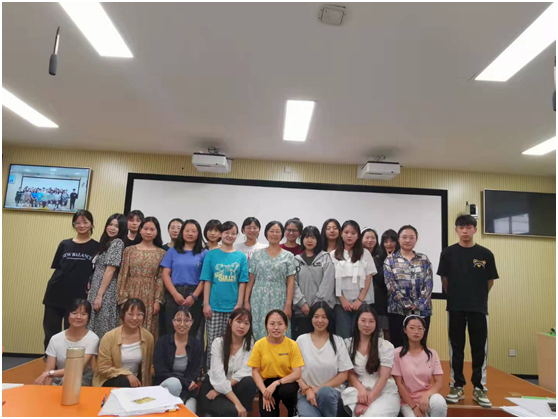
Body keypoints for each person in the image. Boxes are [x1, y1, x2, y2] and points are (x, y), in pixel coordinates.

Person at [438, 215, 499, 408]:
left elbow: (490, 281)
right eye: (461, 227)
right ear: (456, 230)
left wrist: (476, 297)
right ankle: (457, 385)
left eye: (469, 227)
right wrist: (457, 296)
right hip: (455, 307)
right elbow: (445, 280)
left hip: (478, 308)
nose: (465, 231)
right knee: (456, 348)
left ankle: (479, 387)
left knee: (479, 348)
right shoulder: (447, 253)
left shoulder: (485, 254)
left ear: (475, 229)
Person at [42, 210, 99, 351]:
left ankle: (69, 362)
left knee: (73, 332)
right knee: (51, 332)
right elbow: (58, 267)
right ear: (73, 225)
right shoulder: (64, 244)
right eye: (77, 222)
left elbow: (96, 272)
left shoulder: (97, 247)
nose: (81, 225)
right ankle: (50, 360)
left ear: (91, 224)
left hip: (77, 297)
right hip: (55, 293)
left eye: (85, 222)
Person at [201, 221, 248, 367]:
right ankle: (211, 372)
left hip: (233, 308)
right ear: (221, 234)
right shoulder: (211, 255)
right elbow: (207, 280)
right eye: (227, 232)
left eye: (233, 233)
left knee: (231, 341)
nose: (230, 236)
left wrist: (239, 304)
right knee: (213, 342)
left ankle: (228, 371)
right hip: (214, 306)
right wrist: (206, 303)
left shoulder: (241, 256)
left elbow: (242, 282)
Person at [296, 302, 353, 417]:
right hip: (307, 394)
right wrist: (307, 390)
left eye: (324, 317)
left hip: (332, 394)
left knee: (325, 392)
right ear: (311, 318)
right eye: (316, 317)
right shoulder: (301, 340)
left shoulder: (338, 341)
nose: (320, 321)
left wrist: (318, 389)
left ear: (329, 319)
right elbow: (294, 372)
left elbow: (344, 374)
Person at [341, 306, 400, 417]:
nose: (367, 325)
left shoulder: (385, 346)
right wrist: (361, 391)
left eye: (371, 321)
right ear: (357, 322)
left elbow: (383, 377)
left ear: (376, 323)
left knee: (370, 415)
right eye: (363, 320)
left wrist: (368, 400)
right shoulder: (347, 344)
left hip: (384, 392)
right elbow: (349, 373)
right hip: (359, 391)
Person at [198, 308, 258, 417]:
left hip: (230, 389)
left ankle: (244, 413)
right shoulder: (218, 343)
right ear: (230, 322)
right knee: (233, 411)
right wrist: (237, 403)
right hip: (212, 388)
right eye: (238, 321)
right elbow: (218, 377)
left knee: (249, 381)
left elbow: (245, 372)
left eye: (246, 323)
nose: (242, 326)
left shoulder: (250, 343)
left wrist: (219, 391)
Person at [245, 221, 297, 340]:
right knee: (259, 328)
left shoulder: (288, 256)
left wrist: (288, 304)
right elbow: (251, 279)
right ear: (266, 233)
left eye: (278, 231)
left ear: (282, 234)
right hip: (258, 298)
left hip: (279, 297)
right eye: (271, 231)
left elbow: (290, 282)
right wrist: (246, 301)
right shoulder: (257, 255)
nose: (274, 234)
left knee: (278, 327)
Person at [248, 309, 305, 417]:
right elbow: (255, 371)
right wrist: (265, 393)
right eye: (272, 324)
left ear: (286, 326)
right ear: (266, 326)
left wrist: (277, 383)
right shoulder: (259, 345)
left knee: (286, 391)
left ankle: (293, 410)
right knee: (267, 413)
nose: (276, 328)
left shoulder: (292, 345)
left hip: (286, 382)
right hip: (267, 384)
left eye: (280, 324)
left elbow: (297, 373)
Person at [384, 225, 433, 349]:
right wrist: (406, 304)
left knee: (419, 347)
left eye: (411, 237)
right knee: (398, 347)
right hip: (398, 311)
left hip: (422, 311)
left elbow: (429, 283)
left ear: (416, 239)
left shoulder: (424, 259)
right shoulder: (390, 260)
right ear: (399, 239)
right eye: (404, 237)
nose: (408, 240)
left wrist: (419, 304)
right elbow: (390, 284)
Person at [117, 217, 166, 338]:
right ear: (140, 230)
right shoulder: (129, 251)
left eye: (152, 229)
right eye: (145, 229)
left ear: (157, 232)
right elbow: (123, 275)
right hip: (131, 292)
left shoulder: (161, 253)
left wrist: (157, 301)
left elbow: (160, 278)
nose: (148, 232)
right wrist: (123, 299)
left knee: (147, 329)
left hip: (150, 294)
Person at [35, 299, 99, 386]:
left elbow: (76, 368)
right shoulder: (55, 338)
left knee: (68, 380)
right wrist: (46, 388)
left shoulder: (92, 338)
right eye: (74, 313)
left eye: (83, 314)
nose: (78, 317)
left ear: (88, 318)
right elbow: (49, 368)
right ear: (68, 315)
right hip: (58, 378)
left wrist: (49, 373)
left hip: (82, 378)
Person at [161, 219, 207, 339]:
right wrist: (175, 294)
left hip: (195, 294)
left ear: (198, 233)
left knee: (192, 333)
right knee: (171, 331)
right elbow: (165, 274)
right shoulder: (172, 251)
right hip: (174, 293)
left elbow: (205, 278)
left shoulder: (204, 253)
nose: (190, 233)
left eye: (193, 231)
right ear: (182, 232)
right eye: (187, 230)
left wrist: (194, 296)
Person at [392, 315, 446, 417]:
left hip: (427, 398)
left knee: (439, 403)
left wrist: (426, 396)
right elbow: (399, 384)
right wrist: (413, 406)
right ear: (405, 330)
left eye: (420, 328)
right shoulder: (397, 353)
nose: (416, 331)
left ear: (424, 331)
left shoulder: (432, 353)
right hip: (408, 402)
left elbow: (439, 382)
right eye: (412, 328)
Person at [94, 299, 154, 387]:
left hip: (136, 382)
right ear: (123, 315)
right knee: (123, 382)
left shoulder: (148, 337)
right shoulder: (109, 337)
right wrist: (126, 374)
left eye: (139, 314)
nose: (134, 318)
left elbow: (147, 367)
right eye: (130, 314)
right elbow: (104, 368)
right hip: (110, 379)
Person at [331, 220, 376, 339]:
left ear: (358, 236)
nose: (349, 236)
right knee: (343, 337)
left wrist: (360, 300)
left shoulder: (365, 253)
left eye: (353, 233)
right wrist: (342, 300)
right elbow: (332, 280)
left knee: (360, 337)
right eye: (346, 232)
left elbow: (368, 277)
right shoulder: (333, 254)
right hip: (341, 303)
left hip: (362, 302)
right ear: (341, 234)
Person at [153, 306, 202, 413]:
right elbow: (160, 372)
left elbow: (195, 372)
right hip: (166, 388)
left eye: (187, 320)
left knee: (188, 414)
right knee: (174, 383)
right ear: (173, 321)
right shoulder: (163, 342)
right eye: (178, 320)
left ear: (192, 322)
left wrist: (185, 389)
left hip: (187, 391)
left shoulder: (196, 345)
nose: (182, 324)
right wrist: (185, 382)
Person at [87, 214, 127, 339]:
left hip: (106, 291)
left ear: (122, 229)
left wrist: (100, 296)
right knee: (94, 325)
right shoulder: (106, 242)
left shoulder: (117, 243)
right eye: (110, 224)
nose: (112, 228)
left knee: (103, 326)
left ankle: (103, 351)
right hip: (97, 288)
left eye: (116, 226)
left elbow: (110, 270)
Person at [292, 226, 335, 340]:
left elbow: (328, 283)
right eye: (306, 237)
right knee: (302, 342)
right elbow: (293, 283)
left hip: (322, 310)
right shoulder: (296, 260)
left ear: (318, 240)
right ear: (302, 239)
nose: (309, 240)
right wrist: (302, 303)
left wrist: (317, 305)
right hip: (302, 311)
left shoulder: (325, 258)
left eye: (313, 237)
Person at [362, 228, 390, 341]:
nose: (370, 240)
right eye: (367, 237)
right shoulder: (356, 255)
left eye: (373, 238)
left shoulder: (381, 256)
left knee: (385, 330)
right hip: (363, 298)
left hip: (380, 299)